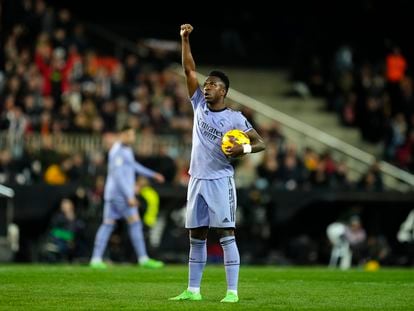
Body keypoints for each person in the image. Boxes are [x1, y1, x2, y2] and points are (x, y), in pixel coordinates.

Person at [169, 24, 266, 303]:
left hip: (221, 180)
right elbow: (188, 70)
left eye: (212, 84)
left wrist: (242, 147)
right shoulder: (198, 104)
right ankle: (193, 290)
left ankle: (232, 292)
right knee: (196, 236)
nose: (206, 87)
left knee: (226, 234)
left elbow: (260, 142)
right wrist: (185, 39)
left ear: (224, 91)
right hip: (196, 178)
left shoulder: (235, 119)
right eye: (206, 83)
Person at [90, 126, 165, 269]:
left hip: (112, 195)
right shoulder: (117, 151)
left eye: (133, 135)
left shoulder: (125, 150)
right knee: (135, 224)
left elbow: (134, 166)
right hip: (120, 196)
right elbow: (118, 176)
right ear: (122, 135)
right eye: (130, 135)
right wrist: (129, 195)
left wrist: (152, 174)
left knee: (107, 224)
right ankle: (143, 259)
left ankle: (95, 259)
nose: (132, 138)